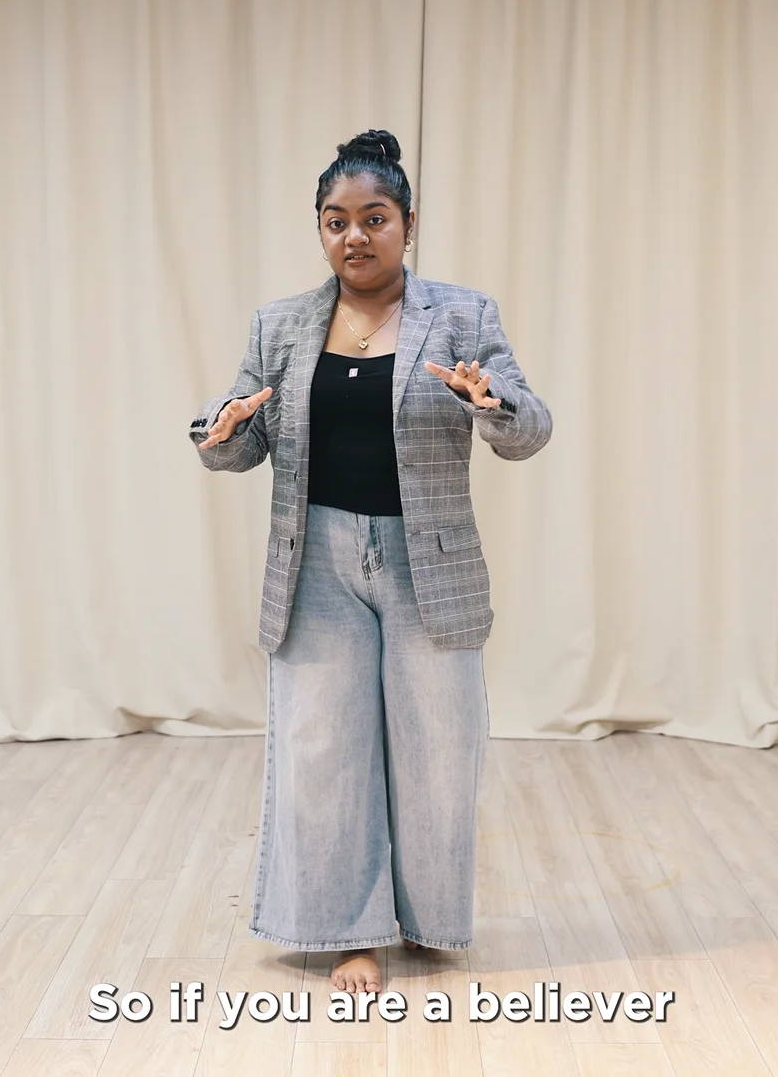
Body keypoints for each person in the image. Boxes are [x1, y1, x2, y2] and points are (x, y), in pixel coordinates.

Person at [188, 130, 551, 993]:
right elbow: (240, 437)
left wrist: (490, 402)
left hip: (428, 562)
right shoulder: (281, 324)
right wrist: (221, 431)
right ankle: (351, 932)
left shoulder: (461, 317)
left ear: (408, 224)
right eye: (336, 220)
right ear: (320, 229)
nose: (354, 235)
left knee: (437, 750)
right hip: (315, 561)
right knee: (326, 752)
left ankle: (426, 920)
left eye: (374, 218)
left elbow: (530, 429)